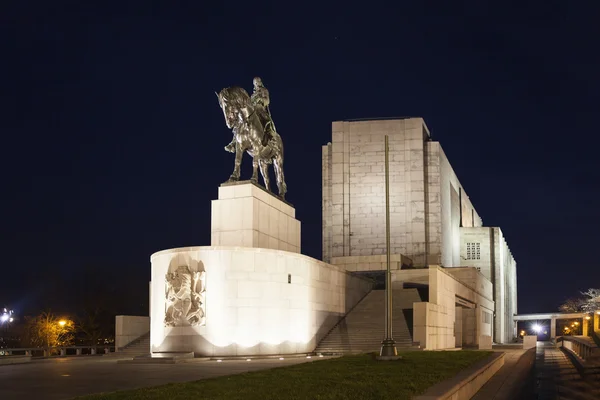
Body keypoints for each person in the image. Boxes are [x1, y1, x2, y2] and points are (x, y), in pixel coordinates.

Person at [224, 77, 276, 152]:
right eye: (255, 83)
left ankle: (271, 139)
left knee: (267, 120)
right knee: (240, 122)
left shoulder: (264, 90)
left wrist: (260, 99)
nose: (257, 84)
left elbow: (267, 100)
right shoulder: (252, 95)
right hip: (252, 112)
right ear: (254, 84)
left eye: (258, 82)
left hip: (260, 110)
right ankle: (234, 142)